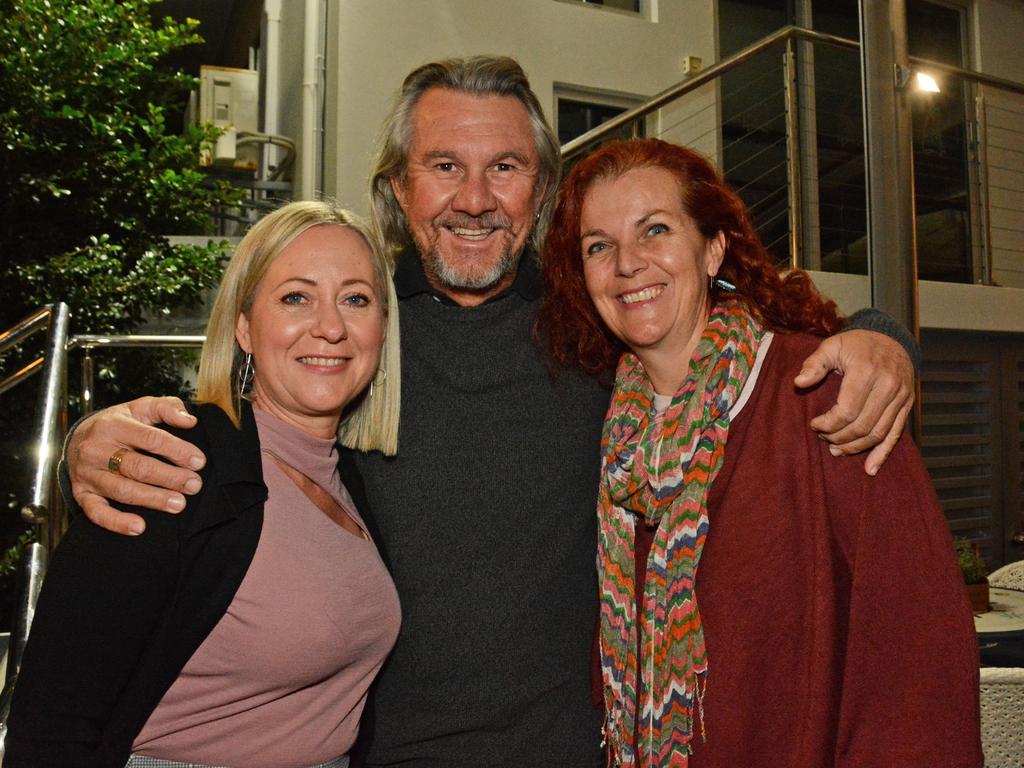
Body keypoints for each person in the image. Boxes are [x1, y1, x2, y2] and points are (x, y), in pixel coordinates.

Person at [61, 58, 918, 766]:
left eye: (503, 168)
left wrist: (884, 339)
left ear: (540, 186)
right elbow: (253, 412)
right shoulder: (359, 334)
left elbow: (741, 336)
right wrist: (94, 440)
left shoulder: (595, 325)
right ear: (398, 187)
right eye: (444, 167)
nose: (474, 199)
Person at [539, 138, 982, 767]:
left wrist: (886, 342)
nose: (627, 263)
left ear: (713, 246)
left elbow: (920, 649)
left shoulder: (823, 392)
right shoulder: (605, 430)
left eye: (655, 230)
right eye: (598, 246)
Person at [6, 201, 402, 768]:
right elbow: (54, 718)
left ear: (382, 327)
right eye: (296, 297)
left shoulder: (352, 480)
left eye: (356, 299)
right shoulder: (172, 464)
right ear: (244, 326)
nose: (331, 327)